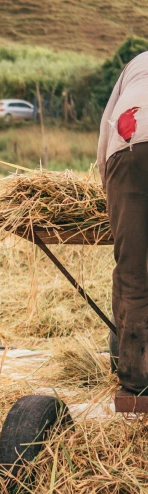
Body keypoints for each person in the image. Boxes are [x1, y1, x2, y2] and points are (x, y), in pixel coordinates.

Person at [97, 50, 148, 393]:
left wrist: (110, 194)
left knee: (132, 274)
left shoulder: (136, 64)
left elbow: (106, 131)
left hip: (126, 148)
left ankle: (135, 380)